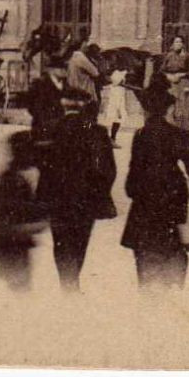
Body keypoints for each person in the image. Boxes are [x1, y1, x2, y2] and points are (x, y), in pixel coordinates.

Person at [120, 82, 189, 289]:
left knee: (146, 248)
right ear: (168, 109)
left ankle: (149, 291)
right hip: (174, 194)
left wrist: (134, 190)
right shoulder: (178, 134)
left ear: (146, 109)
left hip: (146, 196)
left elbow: (133, 175)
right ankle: (171, 287)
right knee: (173, 243)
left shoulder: (141, 135)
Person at [36, 93, 117, 290]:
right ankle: (72, 282)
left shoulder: (51, 129)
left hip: (58, 197)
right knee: (80, 242)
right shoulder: (98, 132)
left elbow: (42, 164)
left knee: (61, 244)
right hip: (87, 199)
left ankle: (67, 283)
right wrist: (101, 192)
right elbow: (109, 170)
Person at [0, 131, 46, 292]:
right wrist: (42, 221)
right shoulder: (13, 183)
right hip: (13, 251)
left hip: (12, 248)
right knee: (18, 294)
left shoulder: (13, 179)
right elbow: (13, 220)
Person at [98, 68, 131, 147]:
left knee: (115, 123)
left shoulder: (115, 88)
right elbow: (118, 101)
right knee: (116, 123)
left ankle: (112, 139)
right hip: (117, 109)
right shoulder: (118, 89)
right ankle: (112, 139)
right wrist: (119, 111)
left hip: (116, 108)